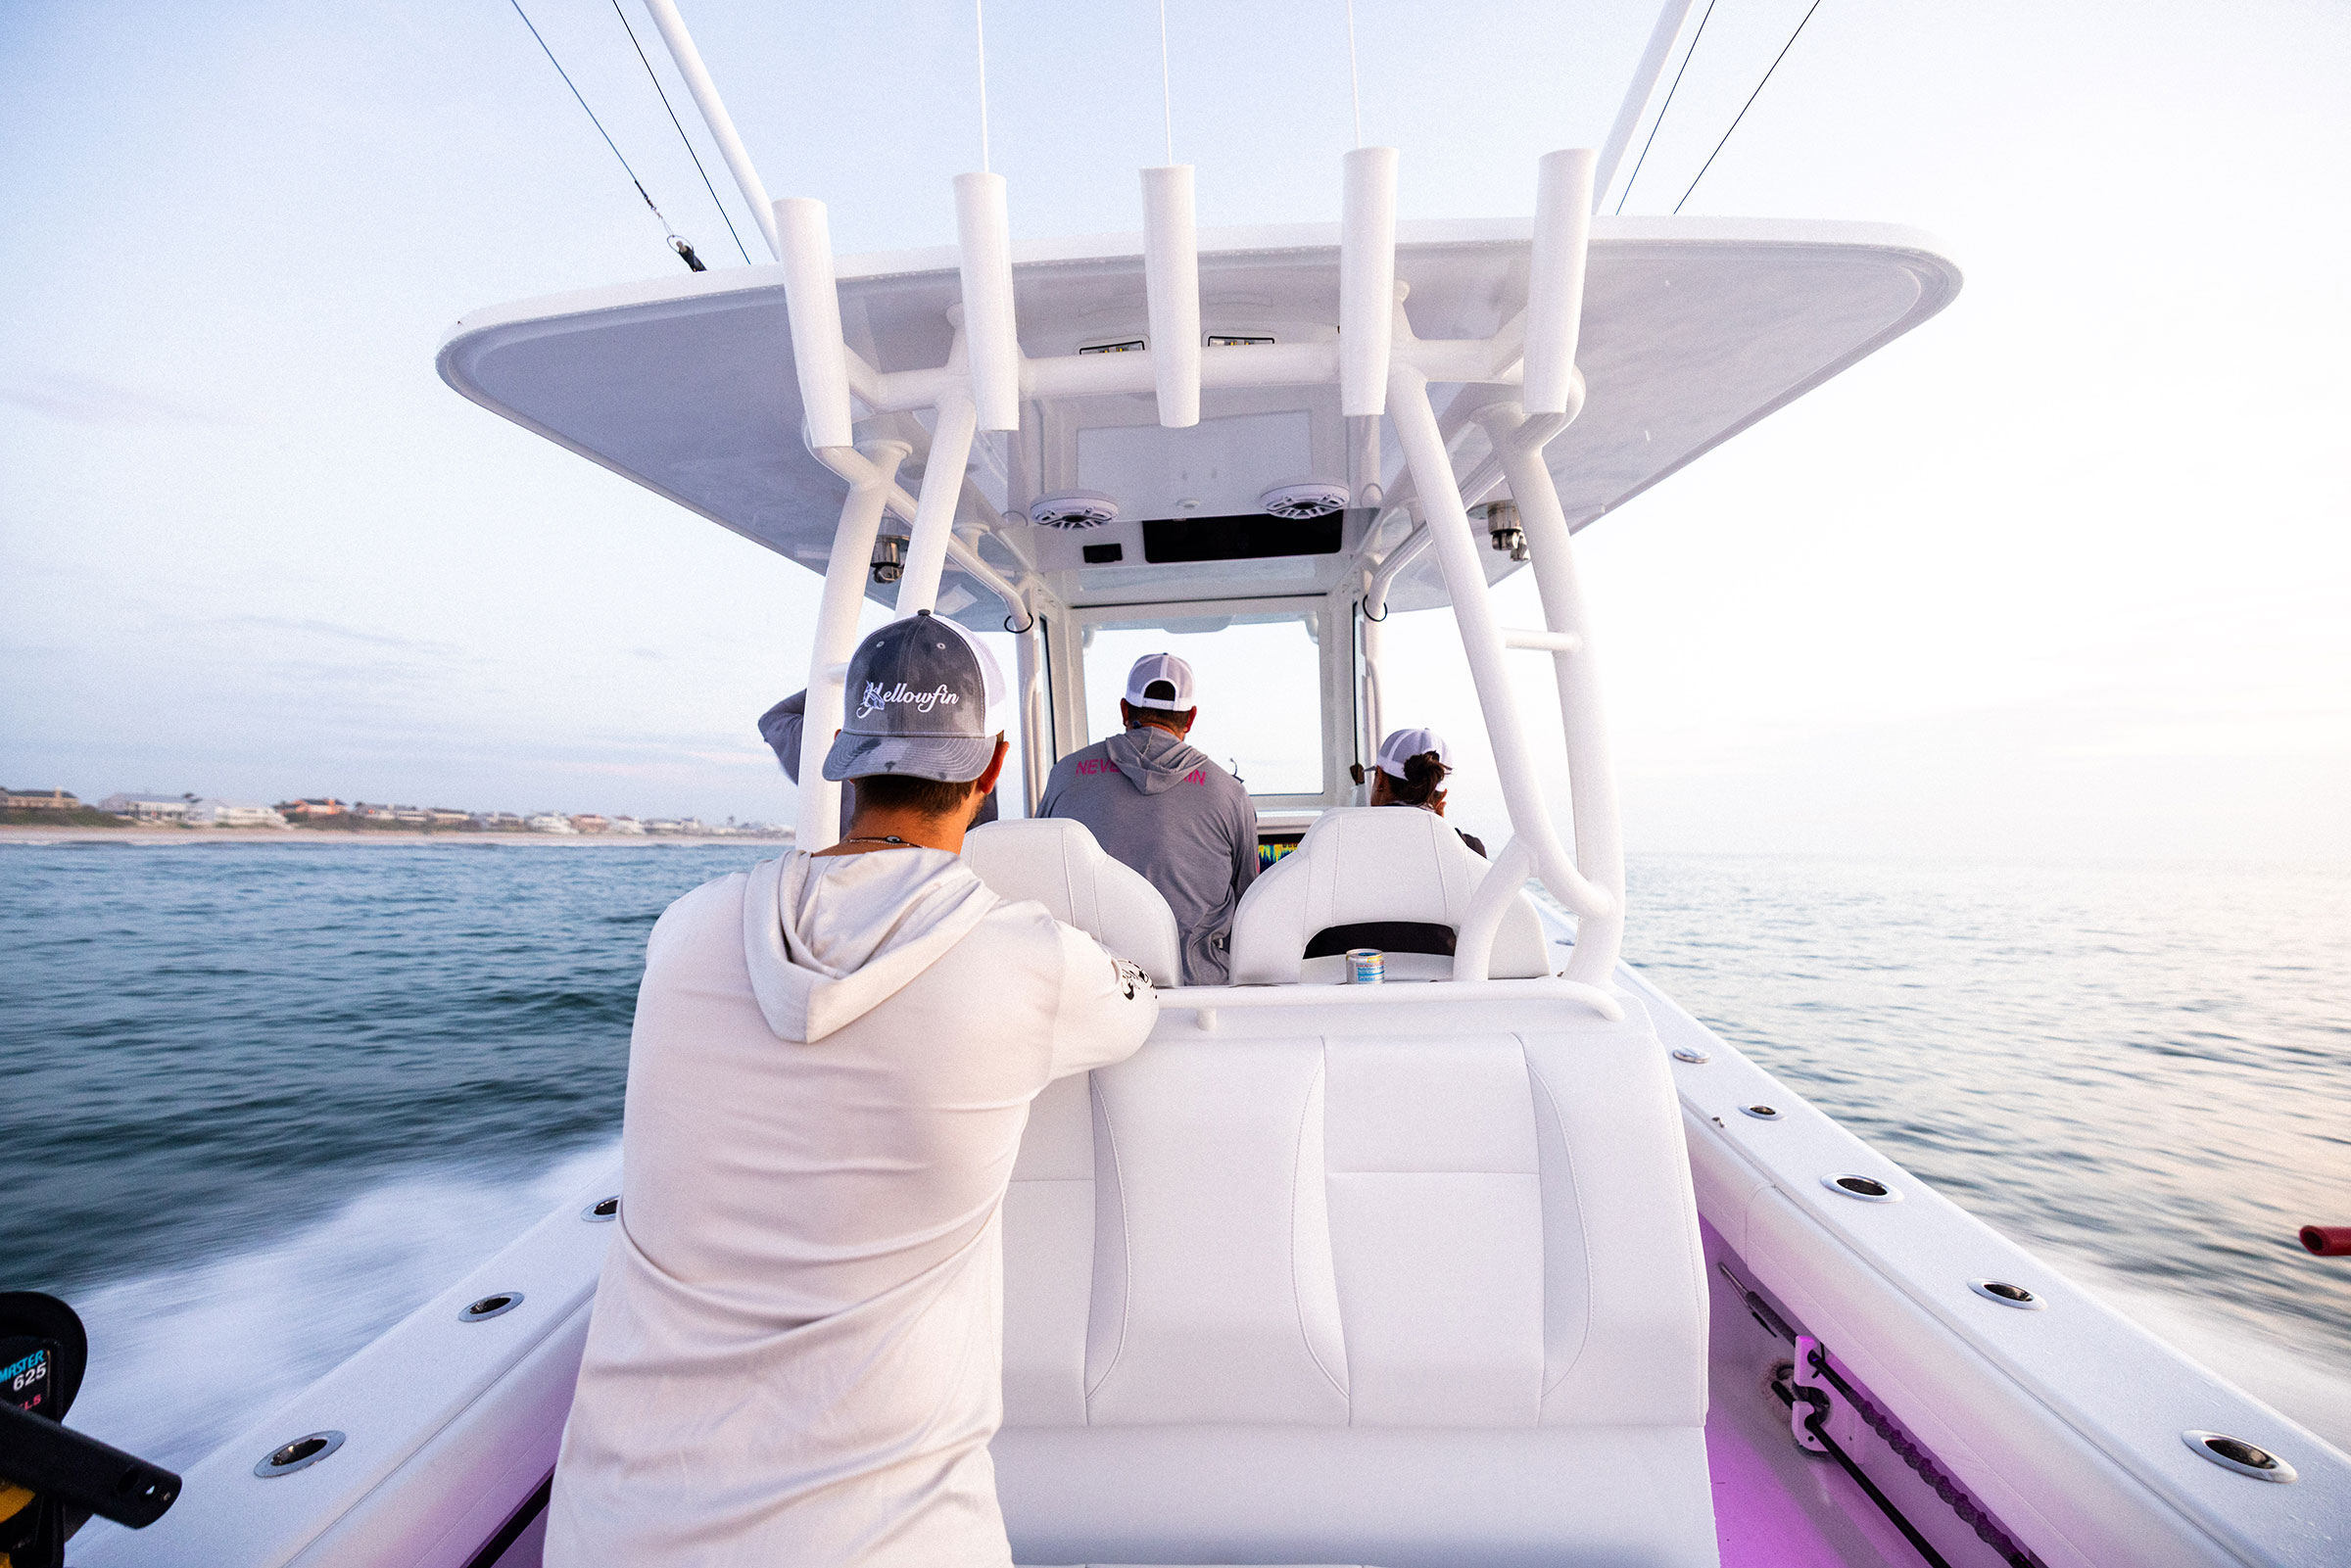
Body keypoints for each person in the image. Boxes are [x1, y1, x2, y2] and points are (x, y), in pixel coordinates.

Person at [548, 610, 1159, 1567]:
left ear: (838, 759)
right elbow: (1138, 1003)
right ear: (993, 769)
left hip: (614, 1534)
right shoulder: (1031, 962)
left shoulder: (685, 934)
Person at [1037, 652, 1257, 984]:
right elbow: (1250, 903)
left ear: (1125, 709)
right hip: (1199, 996)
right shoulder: (1229, 793)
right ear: (1190, 718)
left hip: (1093, 990)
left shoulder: (1066, 774)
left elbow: (1041, 879)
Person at [760, 687, 999, 833]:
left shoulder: (757, 899)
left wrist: (859, 680)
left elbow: (772, 719)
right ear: (991, 771)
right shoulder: (1015, 914)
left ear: (847, 756)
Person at [1367, 726, 1487, 857]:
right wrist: (1438, 828)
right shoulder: (1471, 849)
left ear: (1380, 780)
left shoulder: (1352, 837)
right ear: (1441, 798)